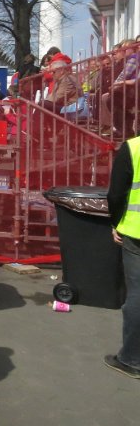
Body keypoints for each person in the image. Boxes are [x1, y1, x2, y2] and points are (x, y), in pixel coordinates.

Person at [105, 133, 140, 378]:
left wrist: (116, 222)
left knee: (138, 296)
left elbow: (116, 193)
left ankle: (131, 359)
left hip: (137, 234)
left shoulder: (133, 147)